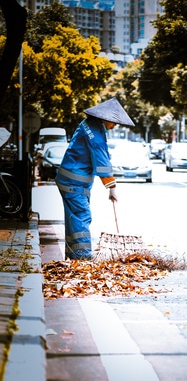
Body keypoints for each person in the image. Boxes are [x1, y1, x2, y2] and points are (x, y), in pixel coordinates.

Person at [55, 97, 134, 260]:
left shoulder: (88, 125)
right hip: (74, 182)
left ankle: (73, 255)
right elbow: (102, 162)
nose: (115, 126)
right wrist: (112, 188)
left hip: (69, 179)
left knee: (73, 218)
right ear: (105, 119)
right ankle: (82, 256)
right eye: (114, 122)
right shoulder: (96, 135)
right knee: (82, 215)